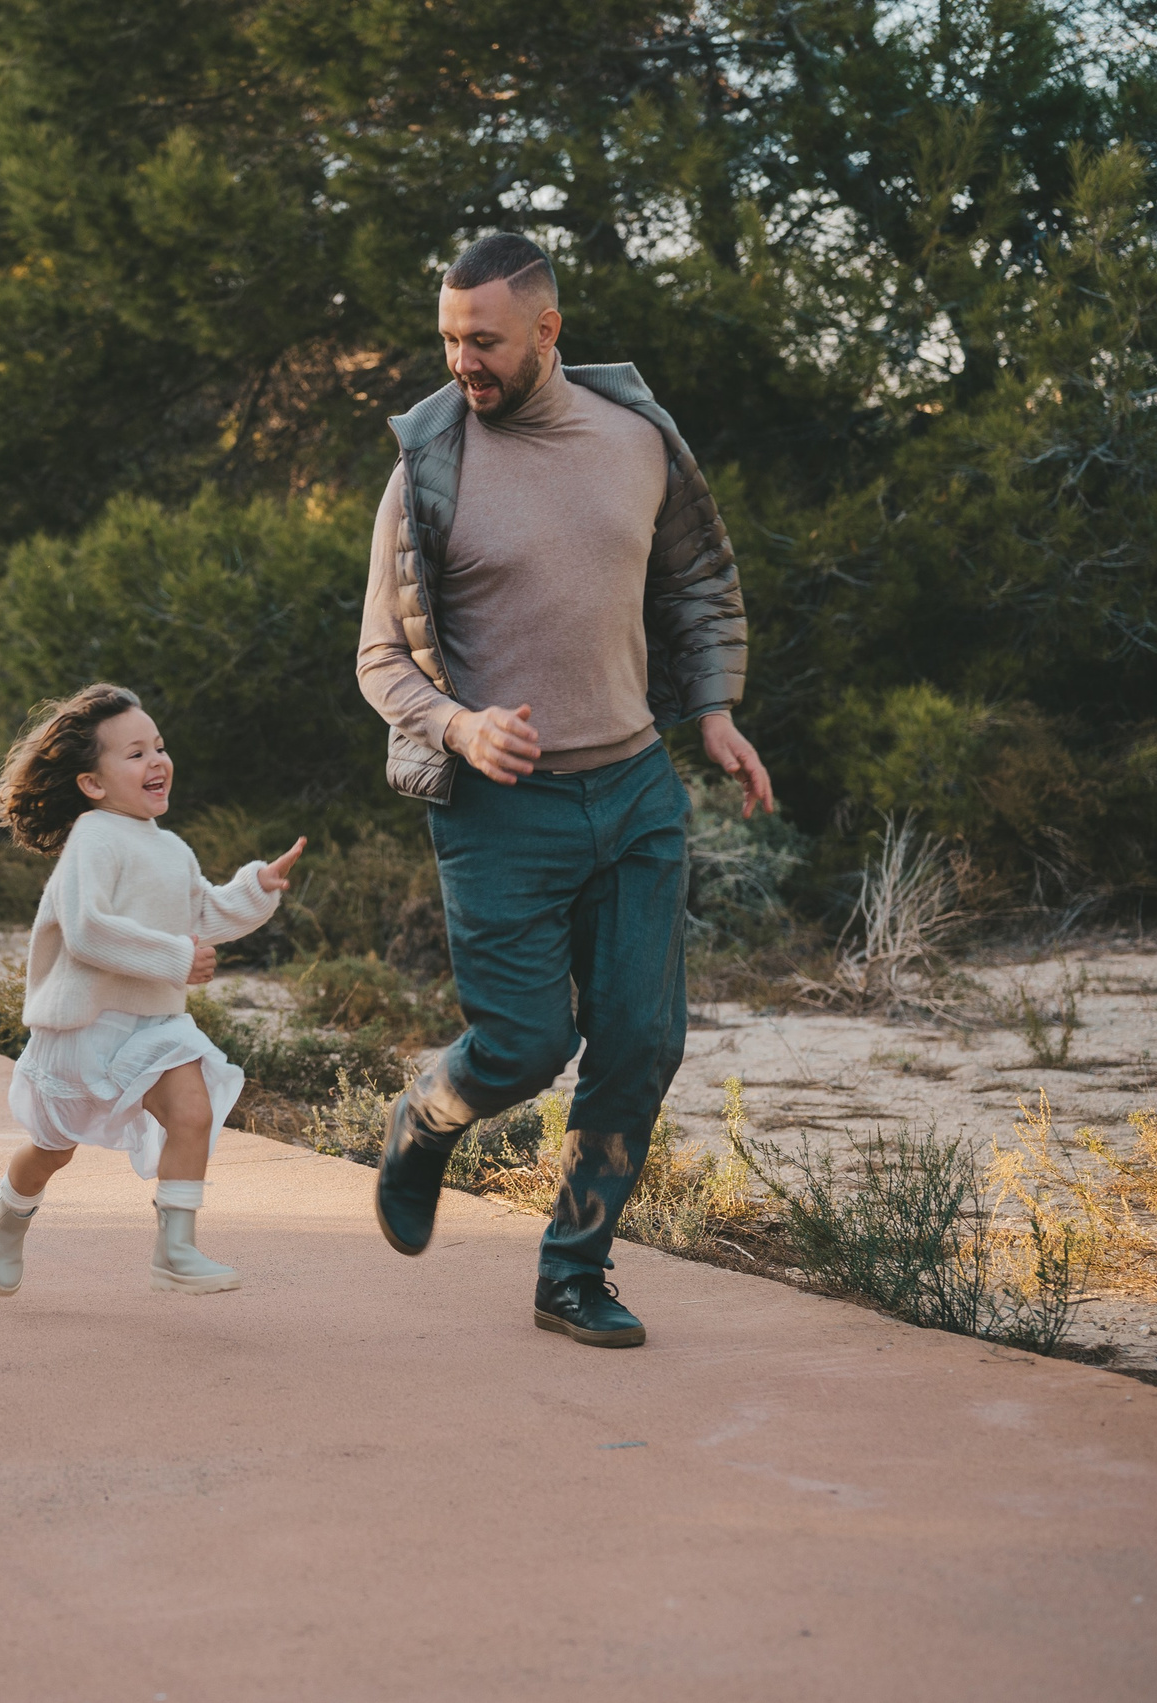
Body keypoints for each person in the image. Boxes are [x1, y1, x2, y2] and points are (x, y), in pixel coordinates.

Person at [355, 233, 773, 1349]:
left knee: (640, 1040)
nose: (461, 362)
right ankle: (423, 1116)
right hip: (500, 812)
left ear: (546, 330)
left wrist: (715, 709)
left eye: (482, 340)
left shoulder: (637, 439)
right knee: (525, 1044)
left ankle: (572, 1270)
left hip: (634, 788)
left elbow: (693, 575)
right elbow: (378, 659)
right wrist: (459, 723)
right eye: (447, 338)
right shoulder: (427, 469)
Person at [0, 684, 305, 1297]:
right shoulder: (93, 837)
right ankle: (7, 1211)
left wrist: (256, 886)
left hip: (152, 1026)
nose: (156, 761)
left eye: (160, 747)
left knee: (193, 1112)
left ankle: (176, 1249)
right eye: (135, 754)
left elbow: (201, 916)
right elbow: (88, 930)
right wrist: (176, 959)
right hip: (86, 1026)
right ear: (92, 784)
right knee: (52, 1150)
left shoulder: (170, 847)